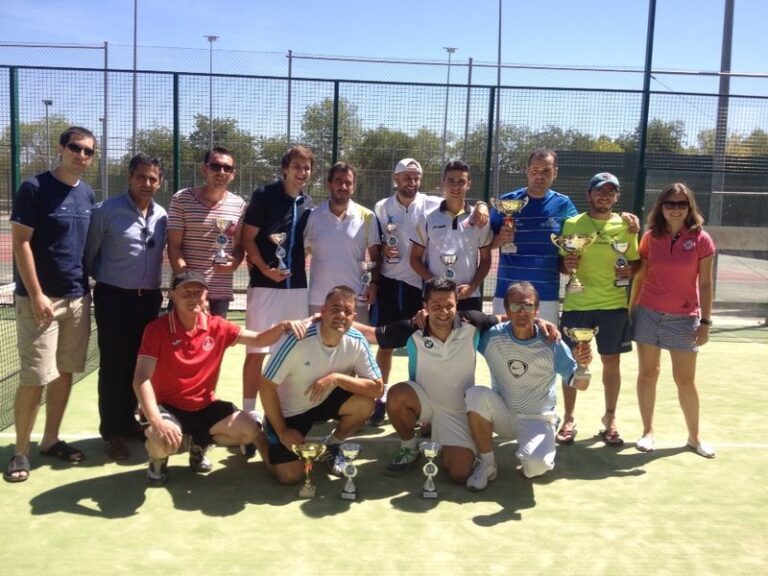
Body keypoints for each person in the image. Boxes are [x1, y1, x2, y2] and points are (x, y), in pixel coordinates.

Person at [132, 271, 308, 486]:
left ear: (206, 296)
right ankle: (157, 461)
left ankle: (198, 445)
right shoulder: (156, 330)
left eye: (198, 292)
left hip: (204, 407)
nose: (193, 298)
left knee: (249, 430)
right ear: (173, 296)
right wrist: (156, 420)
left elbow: (259, 339)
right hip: (166, 407)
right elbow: (141, 378)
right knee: (162, 439)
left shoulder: (218, 326)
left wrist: (283, 326)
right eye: (186, 293)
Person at [5, 126, 97, 483]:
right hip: (39, 301)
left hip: (78, 298)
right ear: (61, 148)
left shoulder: (87, 194)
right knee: (35, 377)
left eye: (88, 151)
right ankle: (20, 452)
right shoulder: (34, 188)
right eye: (75, 148)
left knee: (65, 371)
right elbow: (21, 243)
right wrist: (37, 293)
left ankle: (51, 439)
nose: (81, 155)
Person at [371, 158, 488, 425]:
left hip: (422, 289)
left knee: (435, 346)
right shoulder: (381, 207)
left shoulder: (432, 203)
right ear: (396, 179)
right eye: (406, 176)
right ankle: (381, 398)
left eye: (416, 177)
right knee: (389, 344)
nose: (411, 181)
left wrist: (482, 205)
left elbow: (465, 201)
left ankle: (450, 403)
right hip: (392, 281)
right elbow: (377, 243)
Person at [355, 277, 498, 484]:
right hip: (423, 404)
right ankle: (409, 447)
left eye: (449, 305)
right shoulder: (412, 328)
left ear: (457, 303)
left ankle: (448, 442)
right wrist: (329, 317)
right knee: (397, 394)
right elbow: (371, 334)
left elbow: (504, 320)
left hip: (458, 411)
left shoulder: (474, 322)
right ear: (425, 306)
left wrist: (539, 322)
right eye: (436, 306)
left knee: (459, 474)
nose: (443, 311)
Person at [465, 281, 592, 489]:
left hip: (537, 418)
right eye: (515, 306)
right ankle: (487, 465)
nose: (522, 312)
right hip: (503, 413)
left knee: (536, 467)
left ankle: (538, 445)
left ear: (537, 309)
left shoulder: (552, 342)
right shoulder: (492, 337)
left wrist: (583, 366)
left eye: (528, 306)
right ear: (507, 310)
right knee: (475, 395)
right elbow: (461, 322)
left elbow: (580, 384)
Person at [84, 153, 168, 461]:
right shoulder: (106, 211)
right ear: (130, 177)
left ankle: (129, 420)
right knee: (113, 365)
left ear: (160, 183)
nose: (147, 183)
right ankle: (112, 431)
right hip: (114, 298)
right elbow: (90, 255)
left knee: (139, 364)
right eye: (141, 177)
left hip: (148, 300)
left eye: (153, 178)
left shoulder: (162, 215)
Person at [259, 285, 383, 485]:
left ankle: (332, 445)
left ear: (353, 317)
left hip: (324, 400)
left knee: (366, 404)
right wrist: (282, 431)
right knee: (290, 476)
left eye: (347, 311)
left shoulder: (357, 340)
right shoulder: (297, 339)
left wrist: (337, 378)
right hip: (290, 412)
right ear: (323, 311)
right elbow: (266, 385)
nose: (341, 315)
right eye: (335, 309)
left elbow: (377, 388)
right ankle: (260, 438)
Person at [629, 183, 715, 459]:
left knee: (685, 381)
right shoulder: (649, 237)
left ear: (690, 207)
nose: (675, 209)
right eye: (670, 203)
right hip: (648, 313)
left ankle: (694, 437)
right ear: (661, 207)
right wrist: (630, 312)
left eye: (681, 204)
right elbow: (640, 277)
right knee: (648, 373)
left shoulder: (702, 239)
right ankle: (648, 432)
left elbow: (706, 284)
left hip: (684, 319)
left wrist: (705, 322)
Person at [556, 172, 640, 447]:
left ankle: (610, 418)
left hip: (613, 304)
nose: (605, 195)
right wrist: (567, 265)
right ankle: (569, 418)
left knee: (611, 362)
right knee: (573, 362)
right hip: (577, 303)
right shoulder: (572, 223)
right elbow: (561, 263)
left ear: (617, 196)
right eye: (599, 190)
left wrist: (629, 270)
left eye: (610, 191)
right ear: (589, 194)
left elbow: (635, 261)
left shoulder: (626, 225)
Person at [240, 145, 314, 449]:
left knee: (292, 351)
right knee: (257, 351)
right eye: (297, 166)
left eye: (307, 167)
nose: (302, 172)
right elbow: (247, 239)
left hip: (297, 289)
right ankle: (248, 414)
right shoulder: (264, 195)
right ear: (285, 168)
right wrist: (265, 270)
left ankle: (284, 411)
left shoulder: (308, 203)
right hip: (264, 286)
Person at [490, 148, 578, 323]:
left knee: (545, 340)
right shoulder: (507, 201)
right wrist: (501, 239)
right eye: (535, 170)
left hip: (545, 296)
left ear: (555, 173)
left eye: (546, 171)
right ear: (527, 170)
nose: (539, 176)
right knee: (503, 340)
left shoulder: (563, 204)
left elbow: (583, 231)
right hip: (507, 293)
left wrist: (622, 218)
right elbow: (485, 243)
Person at [167, 146, 245, 318]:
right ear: (205, 169)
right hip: (186, 292)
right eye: (215, 166)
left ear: (232, 174)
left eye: (227, 168)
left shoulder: (239, 204)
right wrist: (190, 286)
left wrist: (234, 263)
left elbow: (239, 247)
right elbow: (174, 246)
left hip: (220, 295)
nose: (221, 172)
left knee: (216, 337)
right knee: (176, 336)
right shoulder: (181, 199)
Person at [410, 160, 493, 312]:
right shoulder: (427, 218)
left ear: (468, 184)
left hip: (468, 296)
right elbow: (415, 259)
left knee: (469, 329)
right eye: (451, 181)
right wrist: (435, 284)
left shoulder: (480, 219)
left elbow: (486, 260)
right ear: (443, 183)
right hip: (435, 297)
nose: (455, 186)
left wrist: (472, 287)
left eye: (461, 182)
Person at [304, 162, 380, 324]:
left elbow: (375, 256)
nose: (343, 186)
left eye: (348, 183)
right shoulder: (313, 216)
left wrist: (373, 284)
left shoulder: (368, 216)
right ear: (329, 184)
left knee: (356, 341)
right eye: (338, 181)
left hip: (355, 300)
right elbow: (303, 252)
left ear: (353, 187)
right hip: (319, 300)